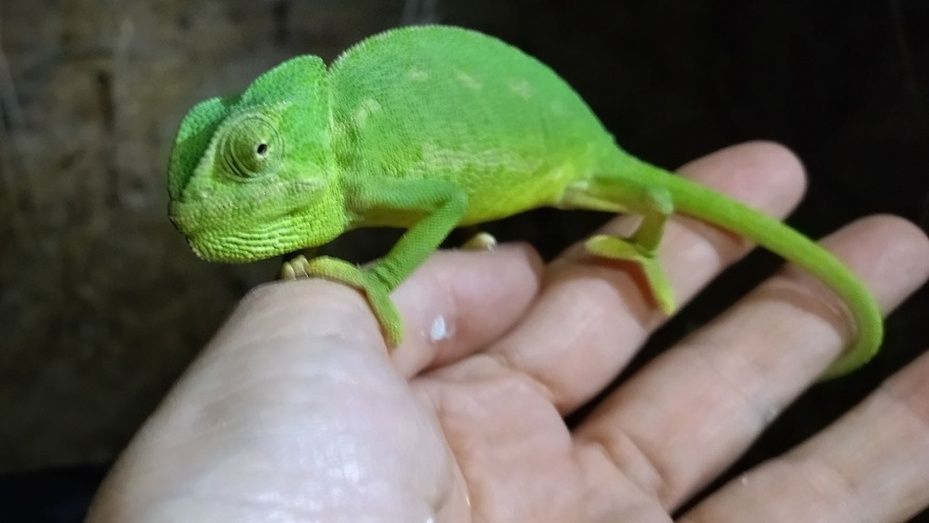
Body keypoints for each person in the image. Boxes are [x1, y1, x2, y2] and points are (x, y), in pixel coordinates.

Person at [87, 143, 929, 522]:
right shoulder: (350, 158)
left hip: (567, 160)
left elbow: (449, 202)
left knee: (664, 200)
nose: (236, 188)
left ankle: (643, 242)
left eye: (256, 154)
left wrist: (381, 279)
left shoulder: (362, 157)